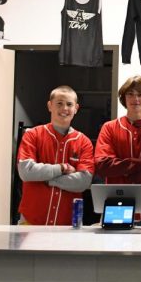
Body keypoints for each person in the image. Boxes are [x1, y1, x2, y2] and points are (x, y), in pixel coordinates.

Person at [17, 85, 94, 225]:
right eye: (59, 103)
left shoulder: (84, 142)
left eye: (69, 104)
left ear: (76, 108)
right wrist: (62, 168)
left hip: (67, 224)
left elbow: (83, 182)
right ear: (49, 106)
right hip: (31, 221)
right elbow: (26, 172)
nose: (64, 108)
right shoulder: (32, 135)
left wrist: (47, 180)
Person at [94, 75, 141, 220]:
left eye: (140, 94)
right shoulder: (109, 128)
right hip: (116, 206)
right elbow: (102, 166)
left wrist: (122, 169)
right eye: (130, 94)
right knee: (115, 242)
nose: (136, 99)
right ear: (123, 97)